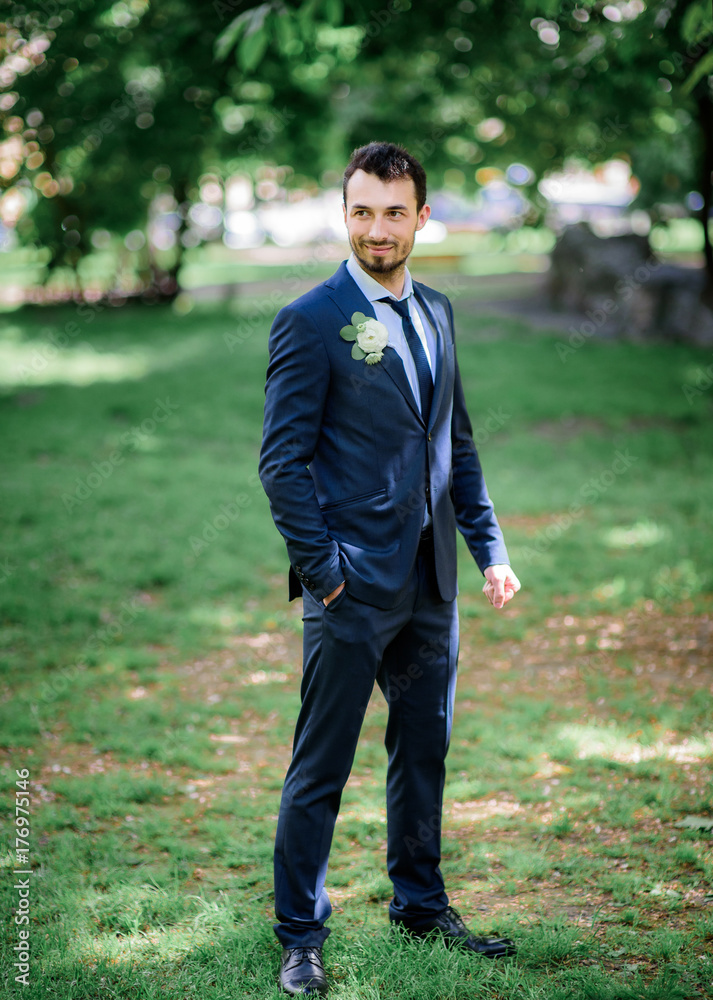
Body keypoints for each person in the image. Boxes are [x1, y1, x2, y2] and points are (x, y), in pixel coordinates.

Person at [259, 141, 521, 996]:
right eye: (361, 211)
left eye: (393, 211)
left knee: (423, 751)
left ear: (422, 216)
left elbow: (456, 441)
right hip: (351, 588)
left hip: (432, 582)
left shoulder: (439, 310)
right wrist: (326, 573)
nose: (377, 228)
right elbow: (281, 463)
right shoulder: (309, 319)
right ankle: (300, 932)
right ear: (346, 213)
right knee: (320, 766)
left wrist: (488, 547)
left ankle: (419, 903)